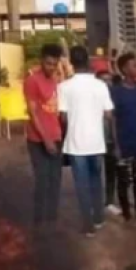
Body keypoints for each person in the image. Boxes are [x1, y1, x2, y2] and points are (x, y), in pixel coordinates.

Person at [59, 46, 114, 237]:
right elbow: (108, 114)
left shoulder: (64, 87)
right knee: (96, 181)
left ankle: (88, 224)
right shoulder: (100, 85)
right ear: (88, 62)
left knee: (81, 184)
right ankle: (99, 218)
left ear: (72, 63)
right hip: (97, 143)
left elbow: (63, 118)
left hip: (75, 144)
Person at [24, 43, 64, 225]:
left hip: (56, 136)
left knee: (55, 179)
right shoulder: (32, 81)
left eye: (54, 64)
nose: (52, 67)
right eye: (48, 63)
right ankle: (39, 219)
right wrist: (46, 139)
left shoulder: (55, 80)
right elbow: (32, 113)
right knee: (42, 179)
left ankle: (52, 217)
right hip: (38, 139)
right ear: (41, 61)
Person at [110, 53, 136, 221]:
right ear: (125, 69)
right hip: (124, 142)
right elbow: (112, 119)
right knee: (123, 180)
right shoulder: (116, 92)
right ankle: (127, 211)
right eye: (134, 65)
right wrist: (116, 144)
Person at [96, 69, 121, 216]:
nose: (106, 83)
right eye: (102, 80)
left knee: (112, 173)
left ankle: (110, 202)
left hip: (111, 141)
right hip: (96, 142)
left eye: (108, 80)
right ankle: (96, 202)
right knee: (96, 174)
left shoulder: (115, 99)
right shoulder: (92, 99)